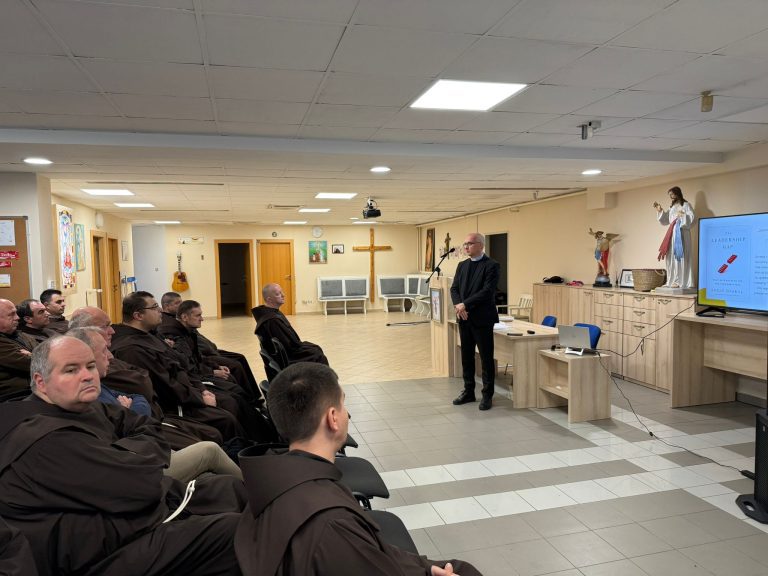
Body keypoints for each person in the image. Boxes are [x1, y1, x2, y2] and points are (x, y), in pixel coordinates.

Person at [0, 336, 246, 576]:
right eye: (71, 370)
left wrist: (125, 455)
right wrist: (133, 456)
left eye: (90, 366)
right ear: (41, 382)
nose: (87, 375)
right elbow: (142, 487)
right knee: (236, 532)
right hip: (96, 554)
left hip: (123, 520)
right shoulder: (44, 439)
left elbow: (145, 424)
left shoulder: (81, 406)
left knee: (230, 488)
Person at [235, 362, 482, 576]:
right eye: (343, 405)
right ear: (333, 418)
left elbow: (375, 555)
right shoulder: (332, 526)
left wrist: (425, 568)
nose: (348, 414)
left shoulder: (272, 480)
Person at [69, 306, 225, 448]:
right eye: (106, 326)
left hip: (158, 411)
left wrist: (201, 388)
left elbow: (144, 388)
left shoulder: (139, 340)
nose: (113, 331)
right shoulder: (126, 351)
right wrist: (199, 396)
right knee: (215, 432)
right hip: (155, 421)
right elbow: (142, 384)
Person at [111, 291, 247, 441]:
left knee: (234, 396)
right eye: (155, 307)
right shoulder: (132, 349)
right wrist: (200, 397)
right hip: (173, 404)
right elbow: (165, 385)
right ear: (138, 315)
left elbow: (180, 365)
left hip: (188, 389)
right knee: (227, 415)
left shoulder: (149, 334)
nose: (160, 310)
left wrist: (201, 389)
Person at [450, 233, 500, 411]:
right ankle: (468, 391)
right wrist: (459, 306)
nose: (466, 247)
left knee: (486, 358)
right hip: (464, 318)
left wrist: (465, 305)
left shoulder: (491, 265)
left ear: (480, 245)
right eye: (465, 244)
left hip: (482, 318)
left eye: (469, 243)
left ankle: (487, 395)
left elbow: (487, 291)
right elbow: (454, 288)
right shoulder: (462, 265)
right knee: (467, 356)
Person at [252, 284, 329, 366]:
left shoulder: (269, 313)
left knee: (316, 348)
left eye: (282, 292)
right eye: (278, 294)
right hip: (289, 358)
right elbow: (288, 346)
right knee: (318, 354)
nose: (283, 295)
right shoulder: (272, 320)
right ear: (269, 299)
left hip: (290, 351)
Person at [654, 186, 696, 289]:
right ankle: (671, 280)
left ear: (677, 193)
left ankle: (681, 281)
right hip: (672, 234)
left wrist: (683, 215)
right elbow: (666, 220)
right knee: (671, 257)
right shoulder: (672, 207)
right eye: (670, 195)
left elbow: (692, 219)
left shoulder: (686, 205)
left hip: (682, 233)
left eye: (672, 194)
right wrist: (660, 211)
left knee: (681, 256)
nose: (671, 197)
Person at [0, 299, 37, 395]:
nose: (17, 318)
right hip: (15, 396)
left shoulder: (20, 334)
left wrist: (32, 355)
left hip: (35, 389)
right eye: (11, 314)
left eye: (16, 313)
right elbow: (33, 364)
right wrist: (35, 356)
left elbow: (45, 351)